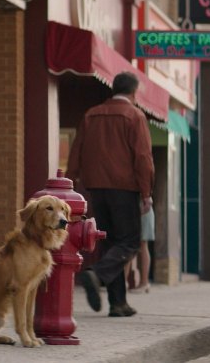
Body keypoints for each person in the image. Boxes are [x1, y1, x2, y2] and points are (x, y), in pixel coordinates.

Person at [67, 72, 154, 317]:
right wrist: (146, 192)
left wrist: (71, 183)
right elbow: (143, 158)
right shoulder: (134, 116)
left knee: (109, 242)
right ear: (134, 93)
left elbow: (77, 150)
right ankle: (97, 274)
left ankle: (118, 303)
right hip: (124, 188)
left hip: (95, 188)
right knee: (130, 241)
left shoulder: (91, 115)